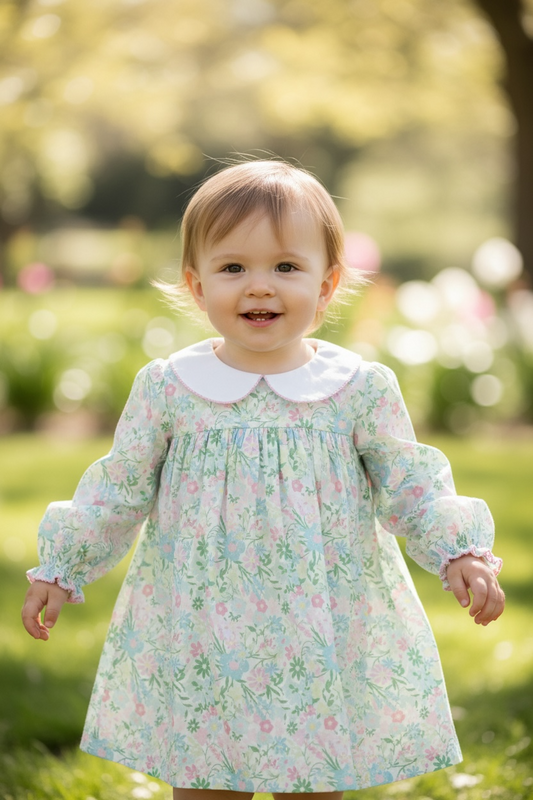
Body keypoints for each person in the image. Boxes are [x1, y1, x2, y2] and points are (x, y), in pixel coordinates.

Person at [22, 160, 504, 800]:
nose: (259, 287)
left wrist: (459, 551)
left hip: (320, 621)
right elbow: (119, 488)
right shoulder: (170, 389)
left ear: (327, 285)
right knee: (206, 777)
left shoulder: (356, 390)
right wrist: (64, 566)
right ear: (196, 286)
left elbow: (410, 484)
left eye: (285, 267)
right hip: (202, 623)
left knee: (315, 774)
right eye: (232, 268)